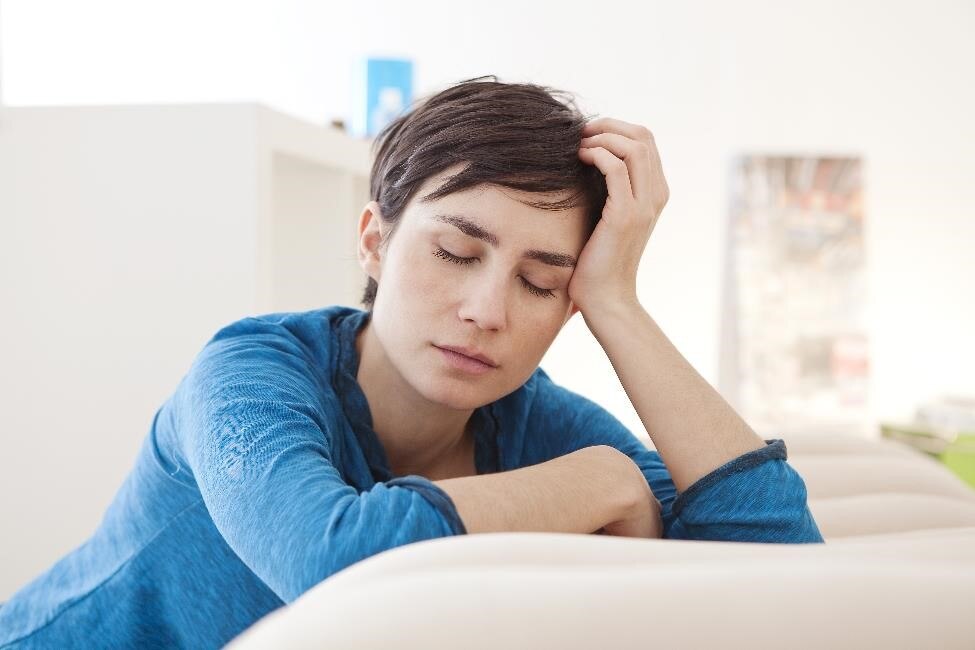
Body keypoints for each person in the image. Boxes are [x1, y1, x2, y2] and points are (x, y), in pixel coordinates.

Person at [0, 75, 823, 649]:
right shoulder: (250, 371)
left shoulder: (531, 420)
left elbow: (775, 567)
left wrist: (617, 303)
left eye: (542, 282)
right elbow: (331, 563)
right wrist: (604, 482)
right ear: (375, 240)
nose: (486, 311)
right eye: (457, 253)